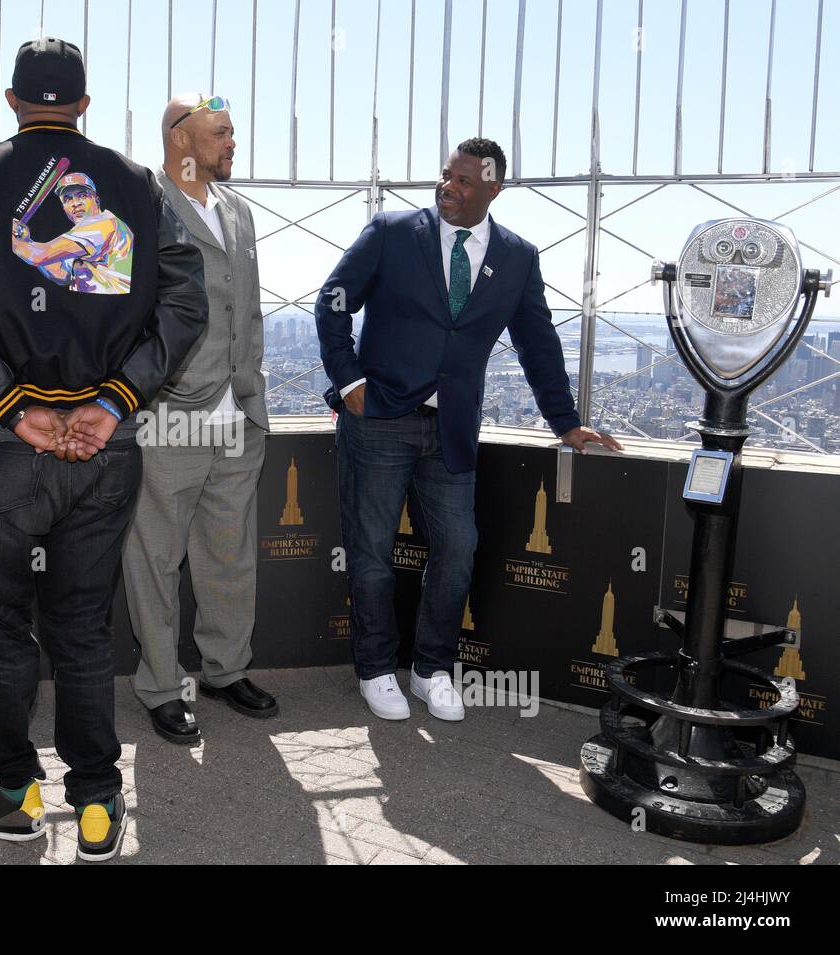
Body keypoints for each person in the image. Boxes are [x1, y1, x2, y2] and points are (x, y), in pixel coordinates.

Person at [0, 38, 207, 862]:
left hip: (3, 448)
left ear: (12, 100)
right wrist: (114, 400)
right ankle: (100, 806)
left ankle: (12, 795)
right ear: (82, 104)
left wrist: (11, 402)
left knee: (2, 629)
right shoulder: (141, 187)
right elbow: (186, 302)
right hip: (105, 447)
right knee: (81, 628)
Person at [316, 137, 623, 723]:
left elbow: (538, 343)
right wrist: (350, 381)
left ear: (493, 188)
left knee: (458, 551)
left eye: (463, 182)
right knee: (372, 552)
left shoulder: (517, 257)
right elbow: (332, 302)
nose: (448, 188)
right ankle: (377, 670)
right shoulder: (390, 231)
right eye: (445, 176)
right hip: (378, 418)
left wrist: (566, 422)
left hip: (451, 430)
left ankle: (431, 670)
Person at [121, 93, 276, 746]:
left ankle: (224, 668)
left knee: (229, 556)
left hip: (236, 416)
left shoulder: (238, 210)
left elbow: (250, 312)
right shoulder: (141, 208)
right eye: (221, 133)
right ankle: (161, 684)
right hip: (169, 417)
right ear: (180, 139)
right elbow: (120, 312)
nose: (232, 143)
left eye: (233, 132)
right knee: (155, 557)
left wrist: (253, 396)